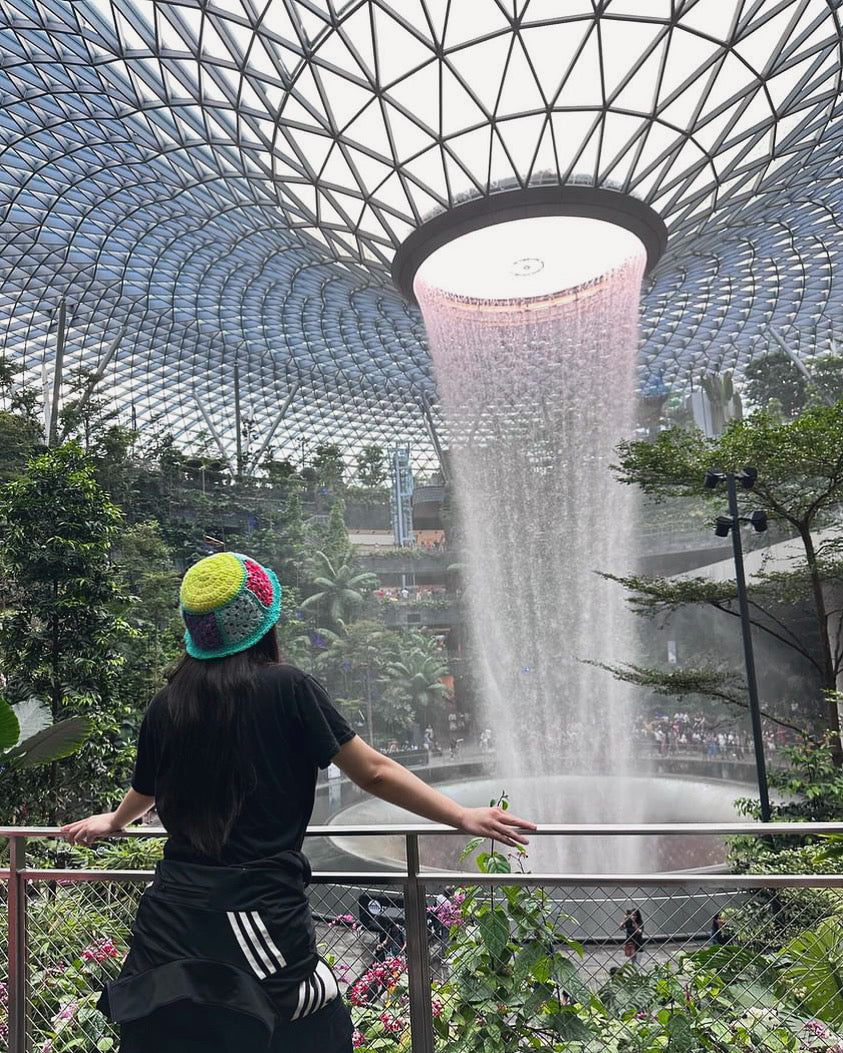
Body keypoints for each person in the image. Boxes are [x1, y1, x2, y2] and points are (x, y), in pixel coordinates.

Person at [61, 552, 534, 1053]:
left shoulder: (169, 702)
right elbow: (372, 771)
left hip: (168, 916)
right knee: (315, 1030)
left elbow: (150, 788)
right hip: (252, 914)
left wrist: (115, 820)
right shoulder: (287, 688)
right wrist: (461, 815)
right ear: (263, 623)